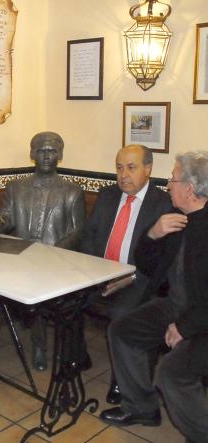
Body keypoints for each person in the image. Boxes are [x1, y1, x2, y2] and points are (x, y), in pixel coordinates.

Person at [100, 151, 208, 443]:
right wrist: (153, 234)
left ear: (189, 188)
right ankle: (142, 408)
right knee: (123, 330)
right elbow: (147, 263)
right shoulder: (177, 220)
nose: (168, 184)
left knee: (171, 374)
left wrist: (184, 327)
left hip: (200, 319)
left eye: (173, 179)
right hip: (176, 306)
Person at [0, 131, 86, 375]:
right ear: (32, 154)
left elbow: (79, 230)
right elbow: (5, 217)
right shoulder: (16, 187)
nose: (47, 155)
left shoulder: (72, 191)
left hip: (52, 261)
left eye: (52, 150)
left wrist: (57, 251)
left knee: (38, 290)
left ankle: (40, 347)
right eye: (41, 150)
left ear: (60, 155)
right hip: (17, 256)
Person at [81, 144, 171, 404]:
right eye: (119, 167)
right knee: (66, 299)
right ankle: (76, 358)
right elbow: (89, 235)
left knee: (122, 315)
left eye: (131, 168)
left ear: (148, 169)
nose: (123, 175)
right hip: (99, 274)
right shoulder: (108, 195)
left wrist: (129, 278)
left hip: (137, 279)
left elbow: (162, 259)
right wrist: (93, 269)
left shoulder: (162, 204)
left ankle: (121, 382)